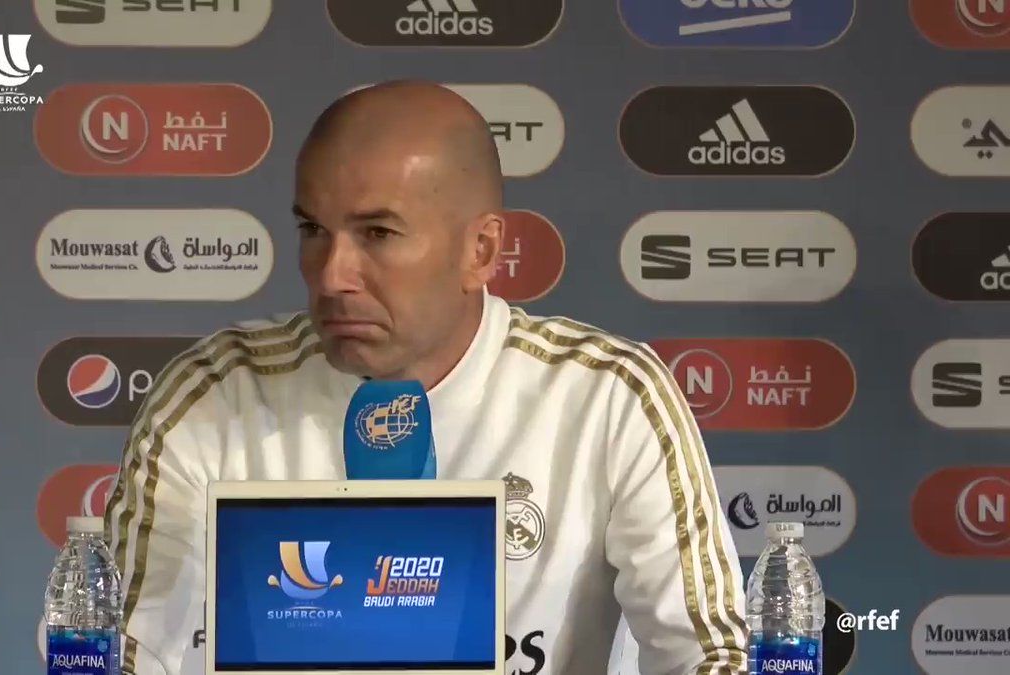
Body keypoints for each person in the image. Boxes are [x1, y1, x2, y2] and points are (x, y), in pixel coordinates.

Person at [103, 80, 748, 675]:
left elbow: (712, 657)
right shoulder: (216, 393)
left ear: (481, 251)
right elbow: (118, 652)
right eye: (313, 230)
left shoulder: (609, 397)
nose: (331, 275)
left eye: (378, 233)